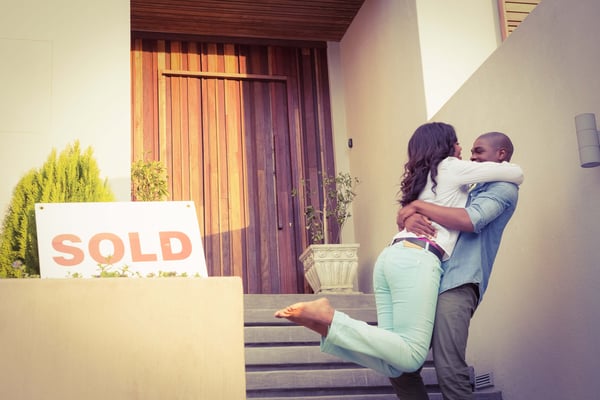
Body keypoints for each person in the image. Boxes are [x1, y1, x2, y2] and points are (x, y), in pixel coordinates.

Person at [274, 123, 523, 379]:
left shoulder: (426, 176)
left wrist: (415, 207)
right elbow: (517, 172)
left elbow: (425, 212)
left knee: (395, 364)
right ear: (445, 145)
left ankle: (328, 330)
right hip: (417, 259)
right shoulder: (450, 166)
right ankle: (331, 318)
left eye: (475, 150)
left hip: (391, 258)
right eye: (458, 142)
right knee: (412, 355)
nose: (464, 150)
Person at [389, 131, 521, 400]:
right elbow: (432, 217)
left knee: (449, 369)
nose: (472, 156)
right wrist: (410, 219)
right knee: (398, 362)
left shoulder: (503, 189)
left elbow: (470, 220)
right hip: (429, 276)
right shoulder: (469, 185)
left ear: (501, 155)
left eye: (479, 151)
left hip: (459, 283)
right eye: (472, 151)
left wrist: (418, 206)